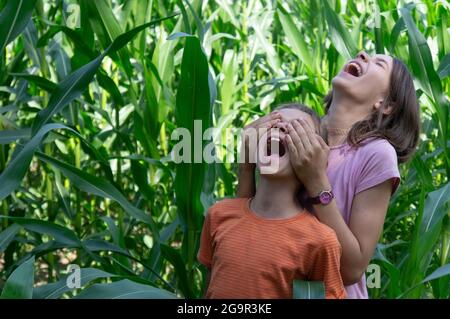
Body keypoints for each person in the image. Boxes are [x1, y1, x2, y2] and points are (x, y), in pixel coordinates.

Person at [237, 51, 420, 298]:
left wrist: (316, 183)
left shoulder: (377, 154)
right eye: (363, 54)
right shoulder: (298, 126)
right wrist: (246, 165)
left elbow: (352, 269)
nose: (362, 54)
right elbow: (242, 228)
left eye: (378, 63)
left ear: (386, 104)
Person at [198, 104, 347, 299]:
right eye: (273, 122)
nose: (281, 128)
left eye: (297, 129)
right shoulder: (218, 214)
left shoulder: (320, 241)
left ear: (315, 158)